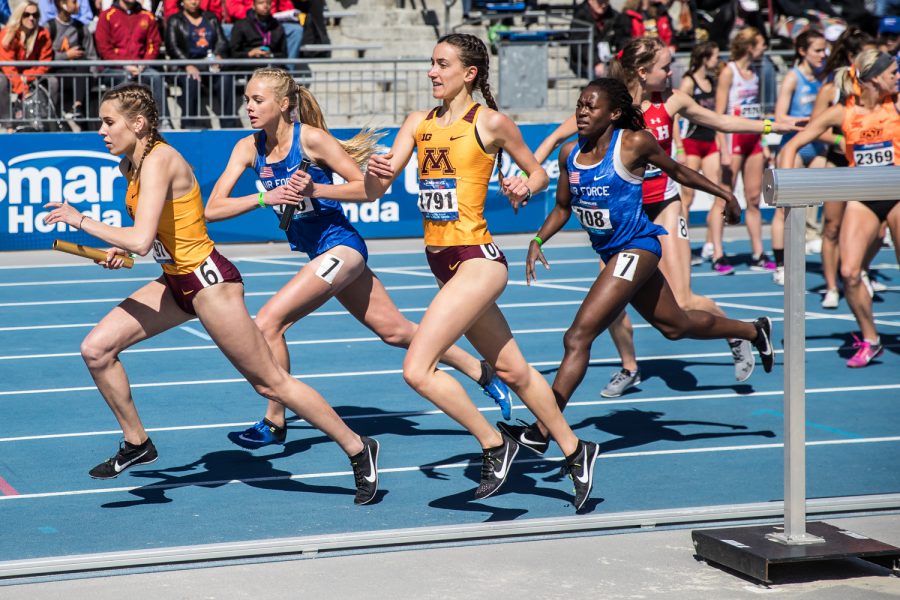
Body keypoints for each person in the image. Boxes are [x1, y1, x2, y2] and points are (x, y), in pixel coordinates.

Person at [41, 83, 381, 505]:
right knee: (96, 349)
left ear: (139, 124)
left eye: (109, 123)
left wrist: (83, 221)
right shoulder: (130, 166)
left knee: (271, 383)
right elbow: (154, 235)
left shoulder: (159, 160)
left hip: (209, 282)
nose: (102, 131)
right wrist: (116, 246)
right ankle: (137, 443)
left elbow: (142, 239)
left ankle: (356, 446)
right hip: (175, 280)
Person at [204, 67, 513, 449]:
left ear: (284, 105)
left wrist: (315, 188)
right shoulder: (248, 148)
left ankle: (274, 420)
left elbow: (367, 190)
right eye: (247, 99)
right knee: (396, 331)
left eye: (257, 100)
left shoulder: (312, 141)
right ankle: (481, 371)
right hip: (317, 251)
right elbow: (213, 208)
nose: (248, 106)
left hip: (341, 247)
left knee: (268, 322)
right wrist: (269, 196)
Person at [363, 33, 600, 511]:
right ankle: (577, 451)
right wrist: (364, 174)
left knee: (417, 368)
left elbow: (538, 173)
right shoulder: (418, 122)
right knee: (513, 369)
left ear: (469, 73)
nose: (432, 71)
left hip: (479, 260)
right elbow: (375, 189)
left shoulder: (489, 122)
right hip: (443, 263)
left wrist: (523, 185)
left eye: (442, 64)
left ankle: (495, 444)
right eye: (431, 63)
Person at [496, 78, 775, 454]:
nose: (581, 111)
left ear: (612, 113)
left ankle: (543, 429)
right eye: (579, 104)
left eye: (591, 106)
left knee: (577, 337)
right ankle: (754, 330)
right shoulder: (569, 154)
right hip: (614, 253)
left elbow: (678, 171)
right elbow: (563, 207)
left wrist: (725, 193)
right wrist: (538, 240)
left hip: (638, 248)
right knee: (674, 326)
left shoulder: (633, 142)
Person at [526, 36, 798, 395]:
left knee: (663, 305)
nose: (672, 72)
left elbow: (716, 126)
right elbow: (557, 142)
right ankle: (633, 365)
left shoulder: (667, 106)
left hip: (660, 208)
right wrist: (530, 176)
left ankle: (736, 332)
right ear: (642, 71)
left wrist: (767, 127)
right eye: (666, 67)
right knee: (647, 317)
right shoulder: (602, 105)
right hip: (619, 223)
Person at [778, 49, 900, 368]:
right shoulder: (842, 112)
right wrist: (785, 186)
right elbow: (792, 145)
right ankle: (871, 339)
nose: (898, 77)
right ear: (873, 79)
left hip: (898, 194)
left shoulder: (897, 104)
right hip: (863, 196)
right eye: (892, 73)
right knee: (849, 272)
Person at [809, 28, 878, 309]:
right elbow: (816, 128)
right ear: (852, 57)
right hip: (839, 163)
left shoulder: (880, 91)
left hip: (870, 166)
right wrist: (842, 140)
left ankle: (858, 270)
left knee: (878, 231)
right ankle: (831, 286)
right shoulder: (831, 88)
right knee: (832, 228)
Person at [770, 29, 828, 285]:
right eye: (817, 50)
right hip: (793, 146)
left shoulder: (823, 77)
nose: (822, 55)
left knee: (815, 202)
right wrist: (806, 122)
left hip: (817, 147)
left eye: (824, 50)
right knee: (784, 209)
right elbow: (779, 117)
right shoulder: (793, 78)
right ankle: (780, 264)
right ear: (803, 51)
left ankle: (809, 241)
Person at [716, 27, 776, 273]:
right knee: (725, 196)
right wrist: (723, 149)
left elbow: (757, 112)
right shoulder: (728, 72)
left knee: (753, 198)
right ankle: (718, 253)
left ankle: (758, 252)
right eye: (761, 44)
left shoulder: (754, 73)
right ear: (750, 46)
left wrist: (764, 143)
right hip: (733, 139)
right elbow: (718, 116)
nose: (764, 49)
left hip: (752, 139)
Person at [677, 40, 733, 275]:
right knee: (686, 200)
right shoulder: (688, 81)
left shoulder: (711, 81)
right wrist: (678, 146)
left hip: (709, 143)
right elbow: (674, 115)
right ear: (704, 57)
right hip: (690, 143)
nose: (717, 61)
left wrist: (722, 144)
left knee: (719, 195)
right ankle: (683, 250)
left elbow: (716, 116)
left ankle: (717, 251)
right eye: (714, 56)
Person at [165, 0, 240, 128]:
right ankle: (188, 124)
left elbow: (222, 41)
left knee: (225, 79)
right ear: (182, 2)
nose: (193, 2)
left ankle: (229, 123)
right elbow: (172, 47)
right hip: (184, 66)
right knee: (191, 80)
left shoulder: (210, 18)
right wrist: (187, 64)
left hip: (209, 64)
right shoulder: (175, 20)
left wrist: (217, 56)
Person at [94, 0, 167, 124]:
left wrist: (143, 64)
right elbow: (104, 48)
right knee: (125, 78)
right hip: (113, 68)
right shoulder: (106, 16)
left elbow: (153, 44)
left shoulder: (147, 16)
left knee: (155, 76)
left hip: (141, 68)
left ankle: (160, 121)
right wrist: (125, 65)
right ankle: (124, 122)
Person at [0, 2, 53, 131]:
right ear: (19, 15)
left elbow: (45, 62)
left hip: (30, 76)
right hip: (9, 75)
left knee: (53, 81)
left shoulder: (43, 34)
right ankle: (8, 125)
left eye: (35, 15)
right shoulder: (8, 33)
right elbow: (8, 65)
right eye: (27, 14)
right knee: (1, 82)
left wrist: (27, 76)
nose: (31, 18)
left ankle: (47, 124)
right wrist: (21, 86)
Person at [46, 0, 96, 128]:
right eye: (74, 1)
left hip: (79, 74)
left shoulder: (81, 28)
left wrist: (95, 74)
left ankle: (77, 107)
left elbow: (92, 56)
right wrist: (66, 56)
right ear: (62, 4)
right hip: (56, 73)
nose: (78, 5)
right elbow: (45, 57)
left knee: (83, 62)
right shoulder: (49, 27)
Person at [569, 0, 630, 79]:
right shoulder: (580, 17)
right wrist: (596, 62)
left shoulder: (615, 16)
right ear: (590, 1)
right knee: (604, 74)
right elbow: (581, 47)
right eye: (600, 2)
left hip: (609, 60)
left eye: (606, 2)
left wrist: (622, 59)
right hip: (584, 63)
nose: (604, 5)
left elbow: (622, 39)